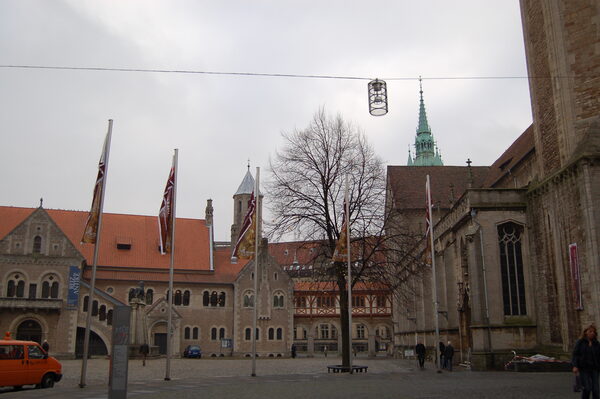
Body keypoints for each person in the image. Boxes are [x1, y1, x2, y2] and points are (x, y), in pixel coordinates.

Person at [572, 324, 600, 399]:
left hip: (595, 368)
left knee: (596, 390)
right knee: (587, 388)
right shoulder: (580, 342)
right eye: (590, 331)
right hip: (584, 368)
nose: (592, 333)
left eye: (593, 332)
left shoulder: (596, 343)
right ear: (585, 332)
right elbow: (575, 354)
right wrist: (575, 366)